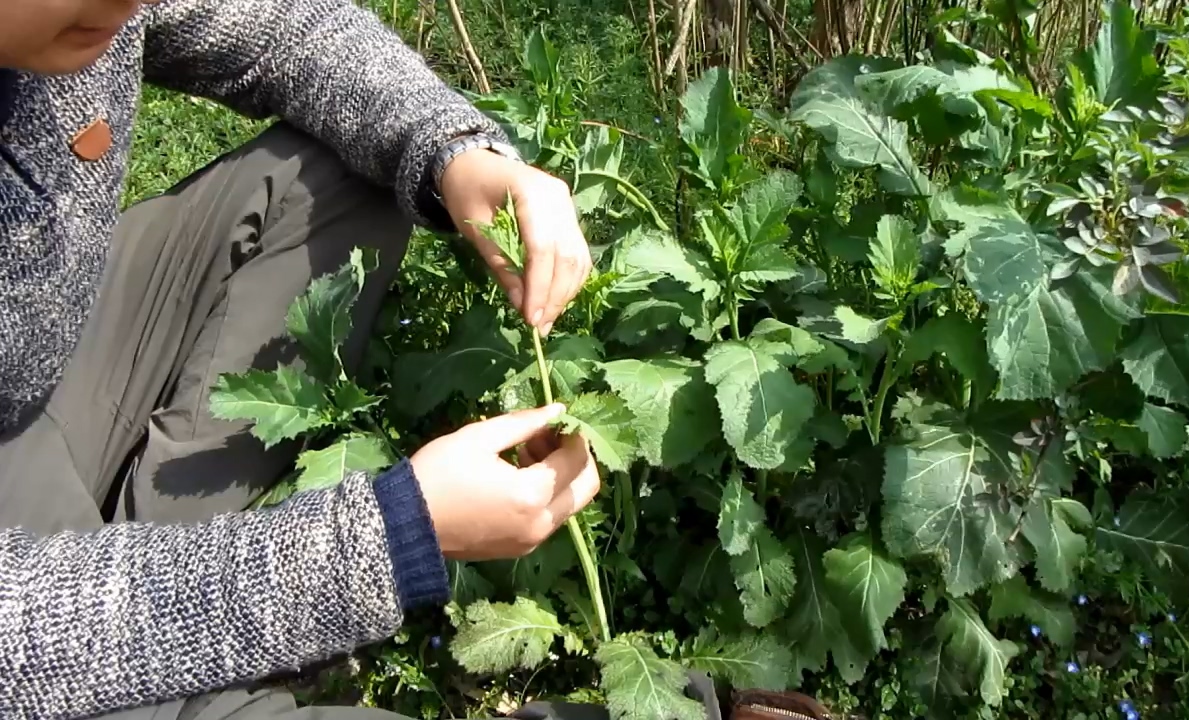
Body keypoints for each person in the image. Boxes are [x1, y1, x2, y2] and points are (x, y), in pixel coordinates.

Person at [0, 2, 837, 719]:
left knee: (358, 161)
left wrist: (456, 155)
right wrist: (389, 534)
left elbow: (284, 29)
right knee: (137, 686)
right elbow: (22, 637)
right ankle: (182, 662)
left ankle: (171, 602)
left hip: (37, 365)